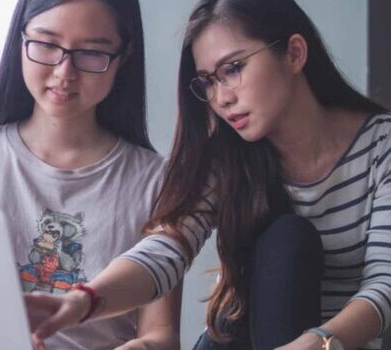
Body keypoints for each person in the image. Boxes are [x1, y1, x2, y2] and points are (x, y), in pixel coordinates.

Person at [26, 0, 391, 349]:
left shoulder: (382, 145)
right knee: (285, 238)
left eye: (233, 69)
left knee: (290, 239)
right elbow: (166, 249)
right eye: (208, 82)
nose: (221, 98)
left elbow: (384, 284)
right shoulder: (226, 155)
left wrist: (320, 342)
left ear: (294, 53)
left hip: (331, 344)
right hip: (241, 340)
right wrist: (84, 301)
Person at [0, 0, 181, 349]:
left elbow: (162, 335)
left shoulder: (156, 181)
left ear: (123, 57)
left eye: (92, 52)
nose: (65, 72)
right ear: (20, 41)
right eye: (48, 45)